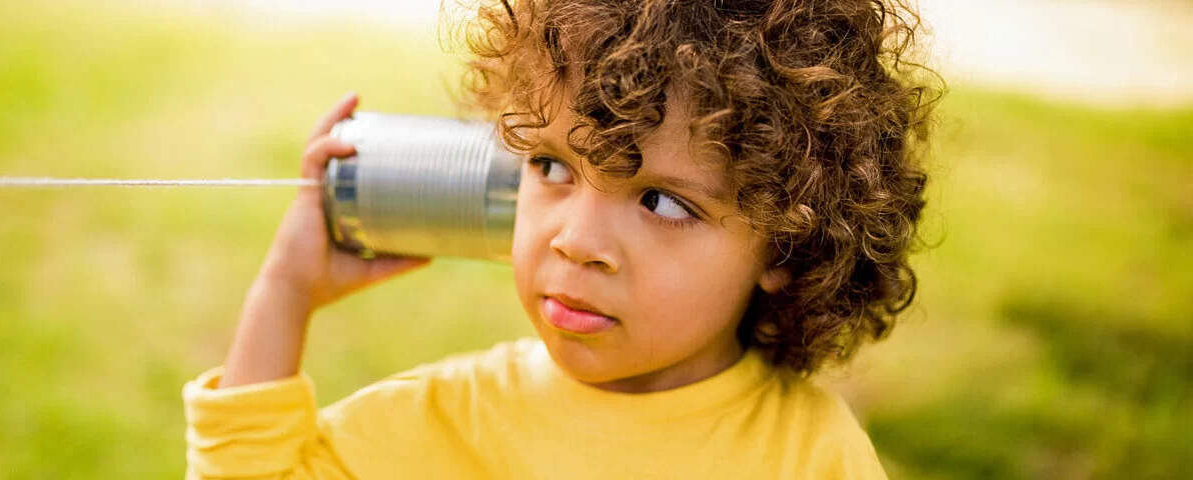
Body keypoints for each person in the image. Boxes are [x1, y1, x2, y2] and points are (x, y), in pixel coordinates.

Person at [183, 0, 939, 478]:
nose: (577, 242)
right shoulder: (442, 421)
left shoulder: (808, 456)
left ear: (784, 245)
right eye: (552, 165)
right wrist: (286, 290)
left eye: (662, 202)